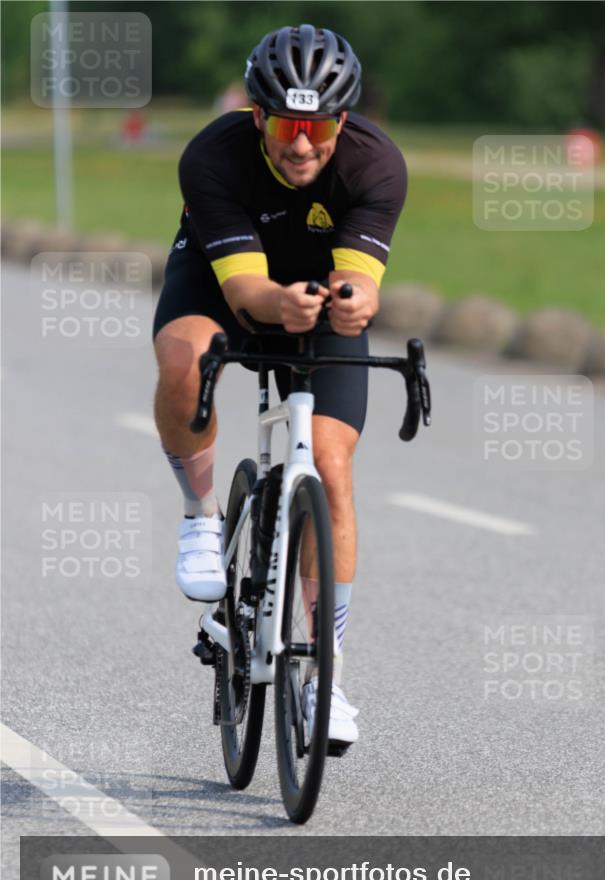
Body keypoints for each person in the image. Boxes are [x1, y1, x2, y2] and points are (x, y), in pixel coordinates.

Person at [152, 24, 407, 748]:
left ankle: (326, 674)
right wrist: (276, 305)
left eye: (319, 126)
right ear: (257, 115)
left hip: (317, 295)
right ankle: (201, 517)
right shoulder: (212, 154)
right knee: (185, 361)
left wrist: (356, 299)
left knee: (330, 468)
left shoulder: (376, 163)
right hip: (223, 277)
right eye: (286, 125)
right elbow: (244, 292)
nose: (302, 144)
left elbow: (359, 274)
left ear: (343, 120)